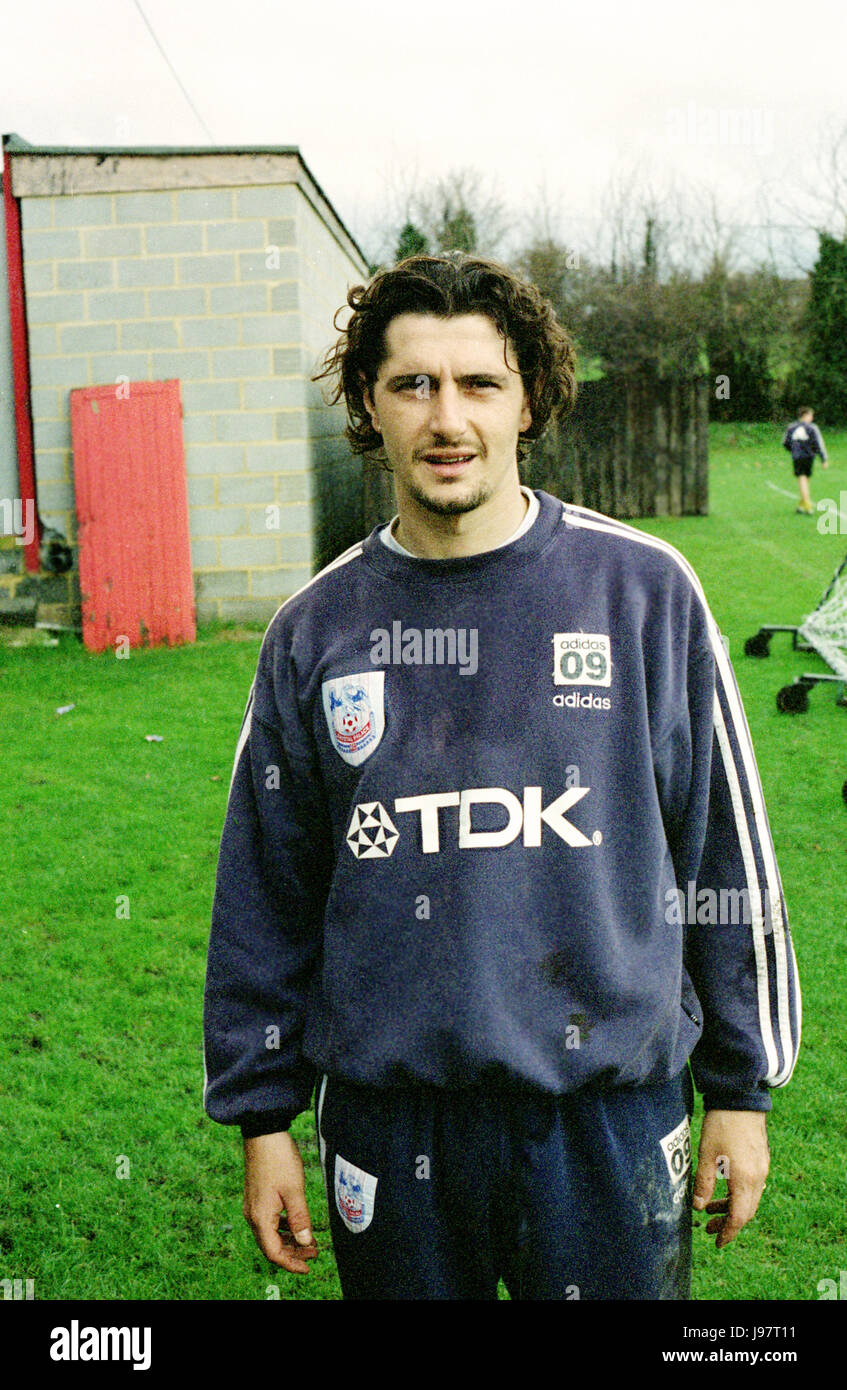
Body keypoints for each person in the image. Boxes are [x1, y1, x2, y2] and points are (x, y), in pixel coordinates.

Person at [203, 254, 801, 1301]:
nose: (448, 418)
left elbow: (722, 851)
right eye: (412, 384)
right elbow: (267, 886)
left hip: (606, 1115)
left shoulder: (644, 591)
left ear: (529, 398)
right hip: (391, 1118)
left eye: (479, 383)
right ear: (369, 406)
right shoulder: (316, 630)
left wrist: (739, 1090)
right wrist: (263, 1118)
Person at [783, 406, 828, 514]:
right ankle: (805, 505)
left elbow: (785, 443)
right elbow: (818, 444)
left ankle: (805, 504)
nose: (812, 418)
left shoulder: (791, 427)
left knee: (802, 479)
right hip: (809, 456)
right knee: (804, 479)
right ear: (805, 415)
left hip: (797, 457)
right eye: (811, 415)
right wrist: (823, 458)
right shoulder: (812, 428)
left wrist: (793, 450)